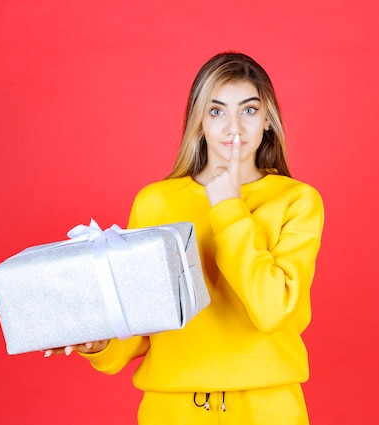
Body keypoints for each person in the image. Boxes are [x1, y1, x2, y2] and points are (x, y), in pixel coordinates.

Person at [45, 51, 324, 425]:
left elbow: (272, 310)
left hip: (268, 406)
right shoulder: (157, 201)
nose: (234, 128)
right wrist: (102, 344)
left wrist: (229, 210)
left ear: (268, 121)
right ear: (199, 122)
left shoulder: (298, 200)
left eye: (249, 110)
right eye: (217, 111)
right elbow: (144, 323)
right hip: (172, 409)